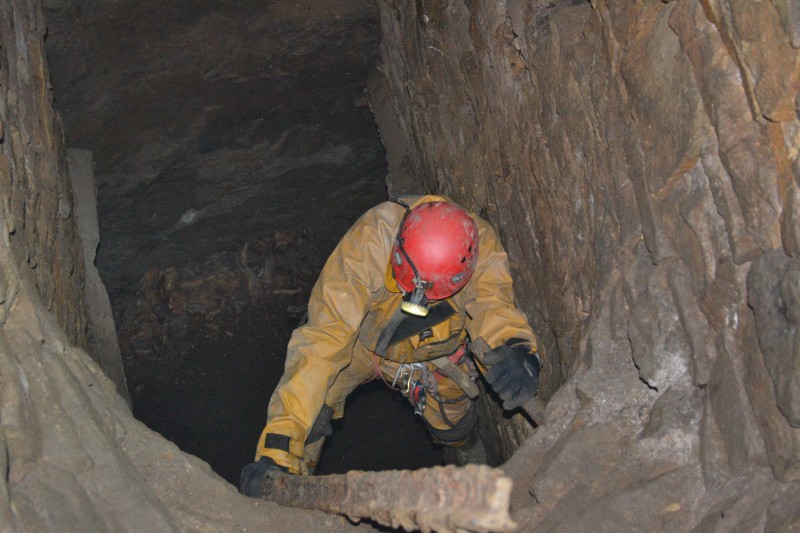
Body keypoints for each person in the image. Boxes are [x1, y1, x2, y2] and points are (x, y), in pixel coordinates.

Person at [240, 194, 541, 496]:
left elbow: (493, 305)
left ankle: (464, 452)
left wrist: (518, 348)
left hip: (435, 351)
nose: (415, 302)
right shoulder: (368, 242)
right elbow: (322, 342)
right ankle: (290, 483)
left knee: (453, 423)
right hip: (360, 343)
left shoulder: (479, 251)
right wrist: (276, 448)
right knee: (312, 412)